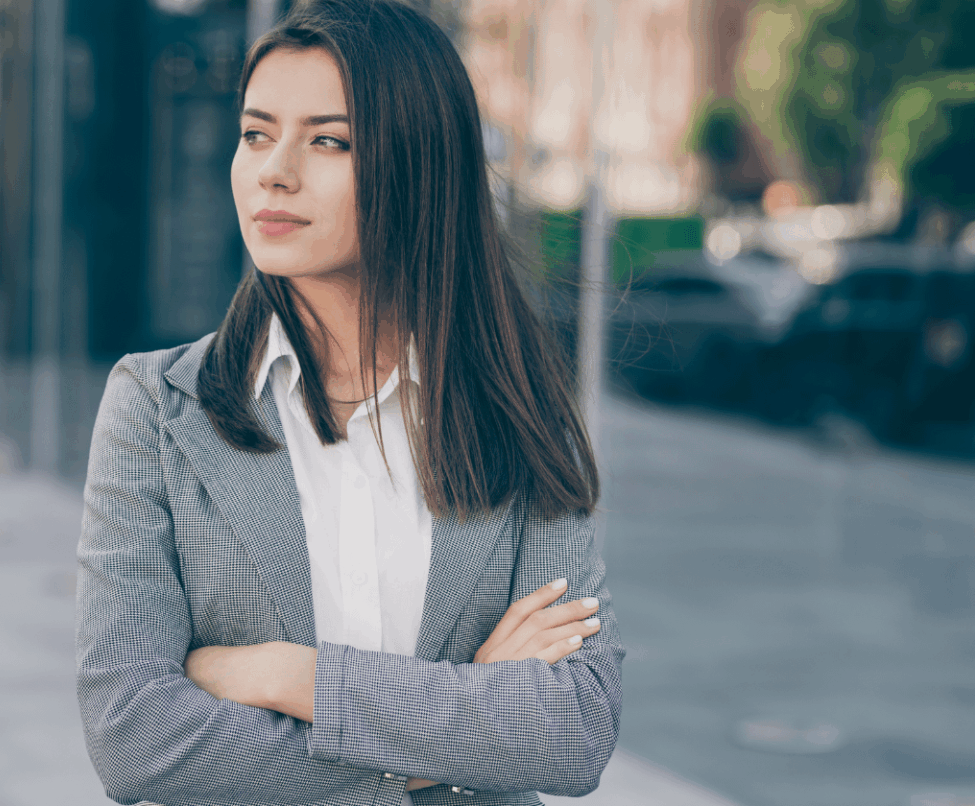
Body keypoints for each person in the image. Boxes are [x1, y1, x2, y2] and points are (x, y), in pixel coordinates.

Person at [75, 1, 622, 804]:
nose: (274, 169)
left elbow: (574, 729)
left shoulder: (518, 408)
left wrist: (296, 678)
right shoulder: (155, 411)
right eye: (257, 133)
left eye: (327, 140)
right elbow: (133, 736)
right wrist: (456, 723)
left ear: (419, 164)